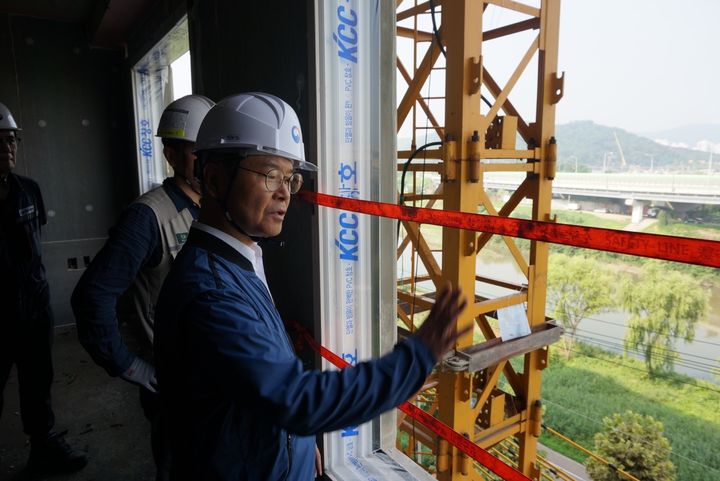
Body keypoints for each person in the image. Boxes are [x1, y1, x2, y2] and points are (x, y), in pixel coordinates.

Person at [154, 92, 469, 481]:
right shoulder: (212, 293)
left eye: (290, 178)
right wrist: (417, 357)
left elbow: (261, 385)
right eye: (270, 175)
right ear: (216, 179)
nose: (286, 192)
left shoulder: (239, 259)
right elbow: (298, 401)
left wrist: (299, 447)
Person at [71, 94, 214, 480]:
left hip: (211, 376)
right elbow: (92, 296)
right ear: (170, 154)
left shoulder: (213, 207)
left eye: (212, 150)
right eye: (194, 151)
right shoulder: (147, 217)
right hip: (172, 385)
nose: (205, 160)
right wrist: (130, 365)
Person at [0, 101, 88, 477]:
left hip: (34, 309)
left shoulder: (28, 191)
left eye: (13, 139)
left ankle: (43, 447)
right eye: (0, 140)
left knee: (38, 383)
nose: (9, 147)